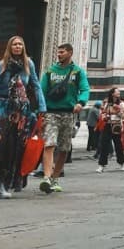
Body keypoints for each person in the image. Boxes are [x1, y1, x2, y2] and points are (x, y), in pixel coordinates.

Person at [0, 36, 46, 197]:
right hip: (1, 111)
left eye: (20, 44)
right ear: (10, 47)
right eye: (15, 44)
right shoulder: (1, 65)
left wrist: (42, 106)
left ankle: (4, 185)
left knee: (14, 149)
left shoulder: (28, 65)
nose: (17, 46)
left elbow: (36, 86)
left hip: (21, 114)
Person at [39, 42, 90, 193]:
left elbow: (85, 89)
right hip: (51, 113)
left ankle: (55, 178)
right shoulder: (49, 71)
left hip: (68, 113)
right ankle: (47, 178)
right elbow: (42, 91)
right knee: (49, 143)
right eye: (58, 52)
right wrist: (41, 110)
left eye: (62, 52)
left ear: (70, 53)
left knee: (64, 148)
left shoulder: (77, 72)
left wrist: (81, 102)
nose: (59, 54)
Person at [96, 87, 124, 173]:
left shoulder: (121, 103)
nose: (119, 93)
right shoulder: (107, 103)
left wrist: (118, 110)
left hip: (116, 125)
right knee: (104, 145)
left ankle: (122, 162)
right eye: (117, 91)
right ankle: (101, 165)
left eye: (119, 91)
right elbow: (103, 114)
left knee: (118, 145)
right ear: (112, 93)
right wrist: (105, 117)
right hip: (108, 125)